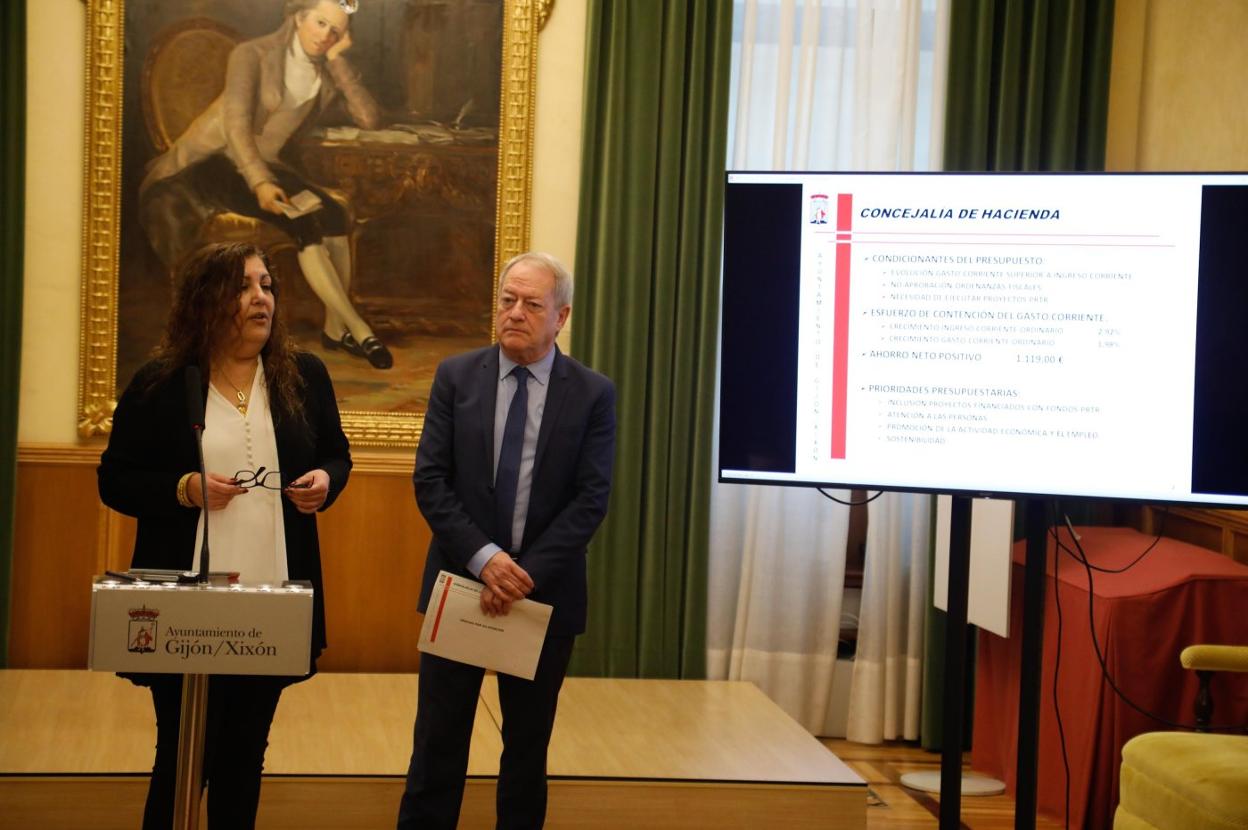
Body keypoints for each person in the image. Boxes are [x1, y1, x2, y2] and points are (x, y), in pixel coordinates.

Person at [98, 241, 352, 829]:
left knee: (244, 755)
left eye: (267, 285)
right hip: (187, 604)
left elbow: (337, 456)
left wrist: (324, 482)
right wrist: (184, 488)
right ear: (206, 299)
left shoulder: (304, 376)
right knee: (184, 755)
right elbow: (114, 480)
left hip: (273, 599)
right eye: (244, 286)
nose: (261, 297)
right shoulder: (161, 383)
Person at [398, 252, 616, 829]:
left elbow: (591, 499)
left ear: (561, 316)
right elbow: (431, 479)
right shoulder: (456, 375)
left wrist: (522, 575)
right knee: (437, 748)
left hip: (541, 597)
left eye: (532, 304)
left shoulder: (593, 394)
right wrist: (488, 560)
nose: (515, 313)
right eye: (507, 300)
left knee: (525, 754)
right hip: (460, 584)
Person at [140, 0, 393, 369]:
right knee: (302, 220)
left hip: (264, 163)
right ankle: (360, 328)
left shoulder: (323, 70)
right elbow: (237, 126)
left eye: (336, 31)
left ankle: (335, 330)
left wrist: (339, 61)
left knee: (335, 214)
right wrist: (259, 182)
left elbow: (370, 119)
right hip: (215, 162)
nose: (326, 35)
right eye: (320, 23)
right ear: (299, 17)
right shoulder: (252, 54)